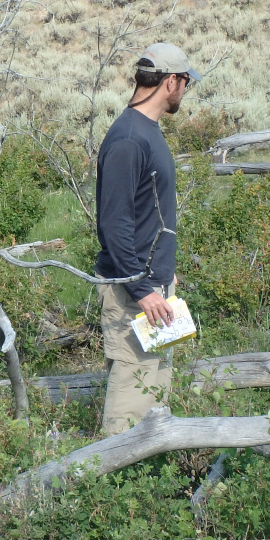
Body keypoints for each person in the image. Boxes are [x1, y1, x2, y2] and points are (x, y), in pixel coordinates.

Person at [94, 42, 201, 435]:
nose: (186, 91)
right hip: (134, 291)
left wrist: (164, 277)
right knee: (131, 390)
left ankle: (147, 474)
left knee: (152, 387)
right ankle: (110, 485)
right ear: (171, 81)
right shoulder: (128, 139)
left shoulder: (145, 131)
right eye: (186, 82)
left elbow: (148, 214)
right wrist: (142, 288)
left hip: (153, 286)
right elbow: (114, 223)